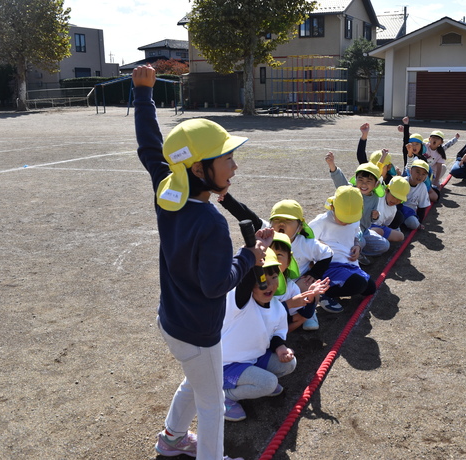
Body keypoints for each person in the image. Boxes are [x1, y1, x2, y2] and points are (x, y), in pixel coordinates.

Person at [133, 64, 272, 460]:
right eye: (226, 159)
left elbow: (150, 149)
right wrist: (249, 256)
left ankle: (172, 438)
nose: (235, 166)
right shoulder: (210, 221)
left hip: (173, 320)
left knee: (198, 382)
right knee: (212, 402)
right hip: (197, 328)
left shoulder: (168, 192)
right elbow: (216, 284)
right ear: (199, 168)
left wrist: (143, 95)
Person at [217, 196, 334, 331]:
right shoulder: (268, 233)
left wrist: (314, 273)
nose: (281, 224)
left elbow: (327, 253)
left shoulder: (307, 244)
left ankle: (307, 313)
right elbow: (246, 214)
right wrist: (226, 200)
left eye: (288, 220)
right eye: (277, 220)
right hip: (271, 281)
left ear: (300, 226)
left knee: (309, 285)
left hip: (294, 283)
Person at [221, 249, 296, 422]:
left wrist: (280, 347)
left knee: (289, 364)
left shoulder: (277, 307)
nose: (268, 285)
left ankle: (255, 382)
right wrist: (253, 254)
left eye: (274, 277)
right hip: (226, 365)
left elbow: (277, 333)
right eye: (261, 280)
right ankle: (225, 396)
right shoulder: (240, 302)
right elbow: (244, 284)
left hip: (254, 358)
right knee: (268, 383)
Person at [308, 185, 377, 313]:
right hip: (330, 265)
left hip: (349, 263)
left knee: (370, 288)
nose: (347, 222)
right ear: (332, 207)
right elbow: (305, 241)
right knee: (358, 284)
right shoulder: (321, 222)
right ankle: (324, 292)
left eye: (350, 219)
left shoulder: (354, 220)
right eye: (343, 218)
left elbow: (357, 234)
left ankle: (337, 285)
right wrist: (317, 251)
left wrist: (357, 245)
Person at [326, 152, 390, 261]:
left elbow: (371, 220)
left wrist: (375, 216)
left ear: (376, 184)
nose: (364, 184)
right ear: (355, 180)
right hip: (348, 230)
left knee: (384, 245)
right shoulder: (351, 191)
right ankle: (354, 253)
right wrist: (332, 165)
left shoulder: (375, 197)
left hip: (364, 231)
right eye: (361, 180)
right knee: (362, 241)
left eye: (369, 181)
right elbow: (340, 181)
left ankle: (355, 251)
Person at [270, 232, 330, 332]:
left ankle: (278, 337)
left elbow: (306, 314)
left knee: (301, 318)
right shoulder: (256, 284)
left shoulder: (291, 286)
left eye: (279, 254)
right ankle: (272, 339)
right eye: (268, 254)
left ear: (289, 261)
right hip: (256, 324)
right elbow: (261, 313)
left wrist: (310, 295)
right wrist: (288, 304)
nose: (273, 259)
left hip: (275, 323)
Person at [371, 176, 410, 243]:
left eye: (399, 199)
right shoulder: (378, 196)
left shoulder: (394, 209)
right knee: (378, 232)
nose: (395, 200)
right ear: (387, 191)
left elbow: (385, 224)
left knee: (400, 236)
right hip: (367, 225)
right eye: (394, 196)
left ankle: (376, 238)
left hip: (379, 227)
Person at [401, 159, 432, 231]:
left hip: (409, 213)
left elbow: (422, 206)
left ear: (425, 177)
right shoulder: (402, 181)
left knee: (414, 224)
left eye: (423, 174)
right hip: (397, 209)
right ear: (411, 171)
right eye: (417, 172)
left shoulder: (422, 187)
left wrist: (419, 222)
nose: (420, 176)